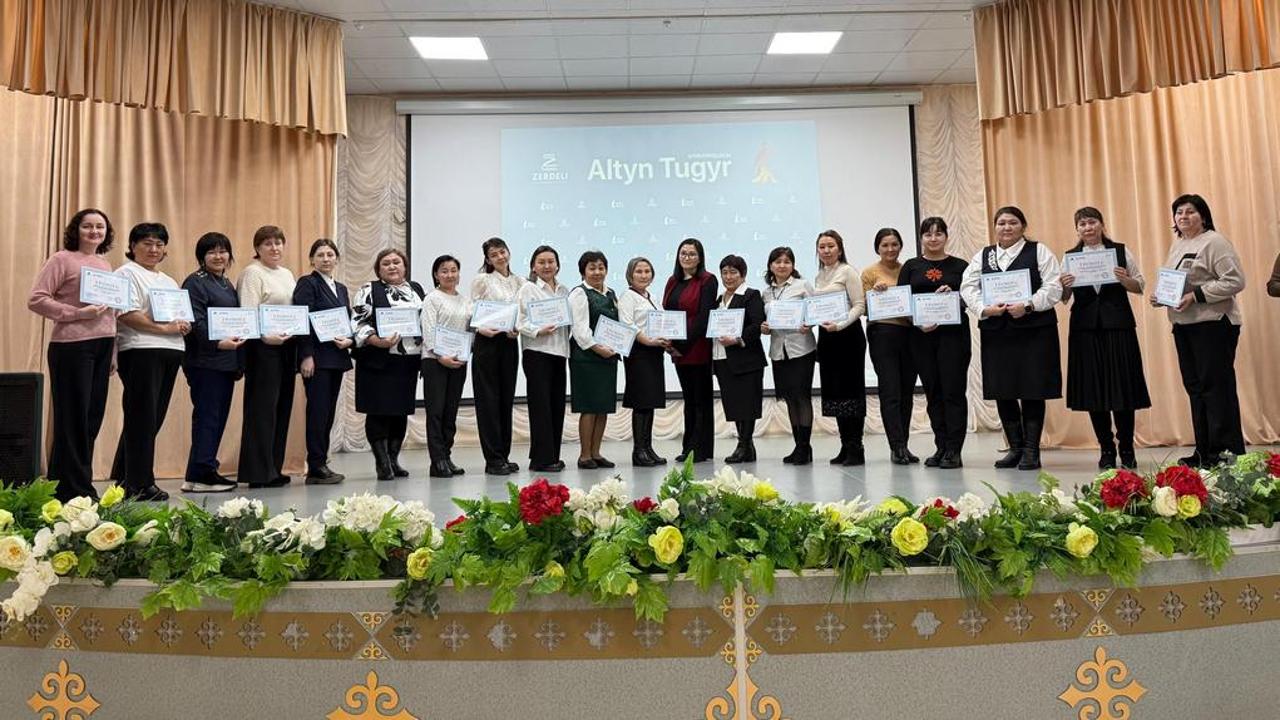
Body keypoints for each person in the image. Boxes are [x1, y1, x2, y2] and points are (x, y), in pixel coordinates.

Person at [960, 206, 1063, 471]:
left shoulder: (1039, 251)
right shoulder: (984, 255)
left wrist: (1028, 305)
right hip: (998, 332)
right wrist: (984, 309)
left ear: (1023, 226)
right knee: (1003, 389)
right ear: (995, 227)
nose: (1006, 227)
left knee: (1032, 389)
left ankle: (1031, 450)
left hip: (1034, 330)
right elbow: (967, 287)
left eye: (1013, 222)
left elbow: (1054, 286)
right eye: (1002, 223)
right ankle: (1015, 448)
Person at [1148, 194, 1247, 466]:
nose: (1183, 216)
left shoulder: (1214, 242)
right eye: (1179, 212)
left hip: (1213, 324)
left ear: (1203, 216)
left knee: (1216, 389)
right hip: (1184, 326)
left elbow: (1235, 281)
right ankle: (1204, 451)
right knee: (1196, 389)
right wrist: (1162, 297)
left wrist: (1196, 296)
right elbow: (1178, 283)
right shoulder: (1179, 244)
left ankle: (1225, 453)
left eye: (1190, 211)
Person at [28, 209, 118, 501]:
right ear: (76, 230)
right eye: (87, 226)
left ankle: (63, 485)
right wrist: (78, 313)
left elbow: (111, 311)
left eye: (100, 227)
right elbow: (37, 299)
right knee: (73, 418)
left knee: (91, 418)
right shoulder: (61, 259)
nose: (94, 231)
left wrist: (113, 351)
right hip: (72, 346)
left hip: (103, 345)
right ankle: (79, 488)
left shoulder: (105, 264)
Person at [1060, 207, 1151, 470]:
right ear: (1077, 229)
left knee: (1123, 388)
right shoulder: (1070, 257)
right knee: (1093, 390)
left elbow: (1140, 286)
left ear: (1101, 224)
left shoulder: (1120, 251)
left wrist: (1124, 279)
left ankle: (1127, 447)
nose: (1087, 228)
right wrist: (1065, 286)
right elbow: (1063, 298)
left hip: (1118, 326)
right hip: (1085, 329)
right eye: (1082, 224)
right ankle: (1106, 448)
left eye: (1092, 222)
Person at [109, 222, 189, 501]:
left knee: (152, 418)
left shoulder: (168, 281)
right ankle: (140, 484)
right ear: (132, 246)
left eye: (159, 244)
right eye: (147, 243)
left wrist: (182, 325)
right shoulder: (125, 273)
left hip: (170, 350)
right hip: (141, 350)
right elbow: (127, 314)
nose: (154, 249)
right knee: (141, 416)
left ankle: (126, 478)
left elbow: (179, 317)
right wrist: (165, 328)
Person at [897, 217, 970, 469]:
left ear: (946, 237)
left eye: (939, 234)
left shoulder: (961, 266)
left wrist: (955, 297)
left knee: (953, 392)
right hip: (921, 337)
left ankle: (954, 449)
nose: (933, 238)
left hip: (954, 338)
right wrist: (917, 322)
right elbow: (903, 302)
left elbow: (973, 297)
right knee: (933, 392)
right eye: (928, 234)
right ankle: (941, 446)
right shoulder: (911, 266)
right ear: (921, 238)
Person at [353, 249, 425, 481]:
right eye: (386, 263)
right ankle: (382, 463)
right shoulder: (369, 289)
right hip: (379, 362)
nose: (392, 266)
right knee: (379, 412)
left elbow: (425, 321)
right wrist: (377, 341)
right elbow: (359, 322)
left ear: (405, 266)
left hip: (407, 361)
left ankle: (394, 460)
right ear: (378, 269)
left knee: (400, 412)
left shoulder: (416, 290)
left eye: (396, 262)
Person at [180, 232, 242, 493]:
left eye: (223, 251)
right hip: (205, 361)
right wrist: (217, 343)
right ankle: (203, 473)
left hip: (225, 362)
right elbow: (194, 320)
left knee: (215, 418)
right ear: (201, 257)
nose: (219, 256)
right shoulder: (195, 282)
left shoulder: (226, 283)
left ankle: (197, 473)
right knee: (208, 417)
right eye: (212, 252)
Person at [236, 225, 297, 488]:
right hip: (263, 349)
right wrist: (264, 336)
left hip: (286, 347)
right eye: (267, 244)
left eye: (278, 243)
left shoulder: (287, 274)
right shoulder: (252, 273)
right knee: (261, 410)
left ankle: (274, 468)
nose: (274, 248)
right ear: (257, 248)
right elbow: (248, 312)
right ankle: (257, 472)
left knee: (281, 408)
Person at [292, 238, 352, 484]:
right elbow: (302, 319)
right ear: (312, 260)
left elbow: (346, 320)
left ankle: (322, 461)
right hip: (317, 359)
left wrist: (349, 339)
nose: (326, 259)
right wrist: (306, 355)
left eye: (330, 254)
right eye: (320, 255)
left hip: (336, 357)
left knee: (327, 413)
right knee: (317, 413)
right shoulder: (308, 283)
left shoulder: (341, 288)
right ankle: (315, 465)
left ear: (337, 259)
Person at [862, 228, 918, 465]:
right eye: (885, 245)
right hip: (882, 334)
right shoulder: (869, 273)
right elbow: (862, 307)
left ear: (900, 246)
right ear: (877, 248)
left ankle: (904, 444)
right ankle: (896, 446)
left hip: (909, 334)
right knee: (890, 391)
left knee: (906, 392)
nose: (890, 249)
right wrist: (874, 295)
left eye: (894, 244)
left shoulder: (909, 270)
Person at [470, 237, 525, 475]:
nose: (500, 257)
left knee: (505, 400)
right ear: (488, 259)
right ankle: (493, 459)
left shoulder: (520, 281)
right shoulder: (483, 280)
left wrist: (517, 328)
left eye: (502, 252)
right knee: (488, 402)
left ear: (508, 252)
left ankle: (504, 454)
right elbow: (472, 309)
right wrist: (480, 328)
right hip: (487, 342)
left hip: (509, 343)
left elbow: (523, 312)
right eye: (494, 255)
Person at [813, 230, 868, 466]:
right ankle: (845, 445)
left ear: (840, 249)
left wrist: (841, 324)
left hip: (848, 337)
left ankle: (856, 447)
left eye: (831, 246)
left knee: (851, 392)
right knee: (835, 393)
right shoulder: (819, 276)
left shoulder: (848, 271)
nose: (826, 251)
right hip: (827, 339)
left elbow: (859, 305)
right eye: (822, 247)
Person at [663, 238, 719, 463]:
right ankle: (688, 448)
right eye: (683, 253)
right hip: (678, 350)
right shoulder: (672, 281)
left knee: (700, 400)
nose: (687, 257)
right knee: (689, 399)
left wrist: (681, 345)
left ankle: (700, 449)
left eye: (692, 254)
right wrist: (669, 342)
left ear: (700, 257)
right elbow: (668, 314)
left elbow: (704, 318)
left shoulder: (708, 280)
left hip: (697, 348)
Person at [761, 246, 817, 465]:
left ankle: (805, 447)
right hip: (778, 350)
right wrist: (764, 327)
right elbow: (765, 320)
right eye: (778, 262)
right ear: (770, 265)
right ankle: (798, 446)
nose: (782, 265)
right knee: (789, 398)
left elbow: (816, 311)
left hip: (801, 348)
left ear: (793, 265)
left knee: (802, 396)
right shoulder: (767, 292)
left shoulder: (802, 285)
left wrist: (809, 323)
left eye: (787, 261)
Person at [518, 245, 571, 472]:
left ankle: (552, 456)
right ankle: (541, 459)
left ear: (557, 265)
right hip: (537, 352)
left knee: (556, 405)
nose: (547, 266)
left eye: (551, 261)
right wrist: (538, 330)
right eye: (541, 262)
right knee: (540, 407)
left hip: (559, 352)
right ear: (533, 266)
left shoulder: (564, 290)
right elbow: (519, 321)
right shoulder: (528, 289)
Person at [568, 251, 621, 469]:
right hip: (587, 358)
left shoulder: (611, 293)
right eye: (592, 268)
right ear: (583, 271)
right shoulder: (579, 294)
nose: (597, 272)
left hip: (608, 357)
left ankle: (596, 452)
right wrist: (598, 349)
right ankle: (585, 455)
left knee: (603, 406)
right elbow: (580, 330)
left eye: (601, 267)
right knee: (589, 406)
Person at [712, 255, 767, 464]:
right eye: (725, 272)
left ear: (743, 274)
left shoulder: (750, 295)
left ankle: (744, 445)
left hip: (746, 359)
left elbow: (757, 324)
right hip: (723, 359)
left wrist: (737, 339)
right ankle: (746, 447)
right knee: (734, 405)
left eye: (733, 272)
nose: (728, 277)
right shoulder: (719, 299)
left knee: (747, 404)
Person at [422, 255, 472, 478]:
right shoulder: (432, 299)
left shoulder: (466, 301)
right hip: (435, 361)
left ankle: (447, 456)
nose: (450, 275)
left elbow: (471, 330)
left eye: (453, 270)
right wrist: (440, 355)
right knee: (436, 412)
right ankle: (437, 460)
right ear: (436, 275)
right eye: (444, 271)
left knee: (450, 412)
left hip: (458, 361)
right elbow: (428, 330)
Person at [617, 257, 670, 467]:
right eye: (638, 271)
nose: (643, 275)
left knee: (650, 402)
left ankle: (648, 448)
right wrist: (647, 340)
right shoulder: (627, 296)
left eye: (647, 271)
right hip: (638, 352)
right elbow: (627, 324)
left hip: (654, 352)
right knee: (641, 401)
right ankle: (638, 451)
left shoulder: (652, 297)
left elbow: (662, 321)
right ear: (630, 275)